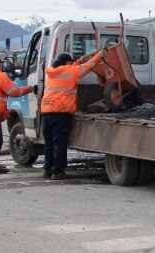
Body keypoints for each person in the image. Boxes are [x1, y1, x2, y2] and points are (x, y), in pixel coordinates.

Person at [40, 47, 107, 180]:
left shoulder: (51, 73)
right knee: (59, 143)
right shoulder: (70, 71)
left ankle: (47, 170)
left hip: (47, 113)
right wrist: (100, 54)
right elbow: (88, 66)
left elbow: (72, 69)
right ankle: (58, 171)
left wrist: (77, 61)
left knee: (49, 144)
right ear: (67, 63)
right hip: (61, 113)